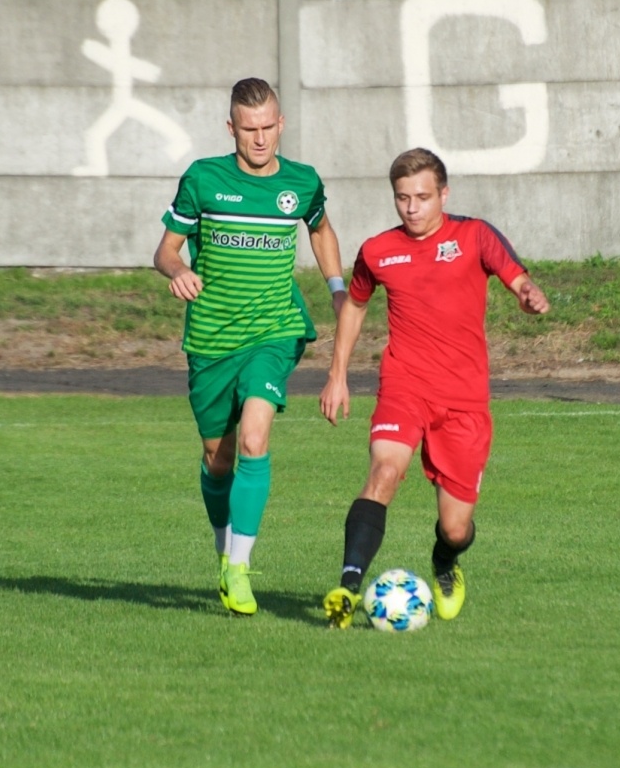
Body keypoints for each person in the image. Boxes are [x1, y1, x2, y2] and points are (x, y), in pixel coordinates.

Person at [318, 147, 549, 629]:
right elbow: (355, 308)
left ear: (444, 194)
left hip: (464, 399)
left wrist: (527, 293)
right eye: (402, 198)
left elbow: (516, 276)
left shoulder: (473, 236)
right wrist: (337, 374)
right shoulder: (378, 250)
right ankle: (347, 586)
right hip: (404, 383)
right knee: (383, 472)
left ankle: (446, 562)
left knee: (455, 526)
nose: (412, 208)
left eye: (422, 197)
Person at [153, 78, 346, 616]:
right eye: (249, 129)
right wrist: (178, 270)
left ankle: (240, 569)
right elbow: (165, 250)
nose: (260, 140)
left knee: (256, 437)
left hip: (274, 330)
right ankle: (223, 555)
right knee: (220, 460)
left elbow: (321, 230)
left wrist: (336, 290)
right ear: (231, 128)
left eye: (268, 128)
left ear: (281, 125)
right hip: (212, 338)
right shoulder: (203, 180)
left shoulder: (302, 183)